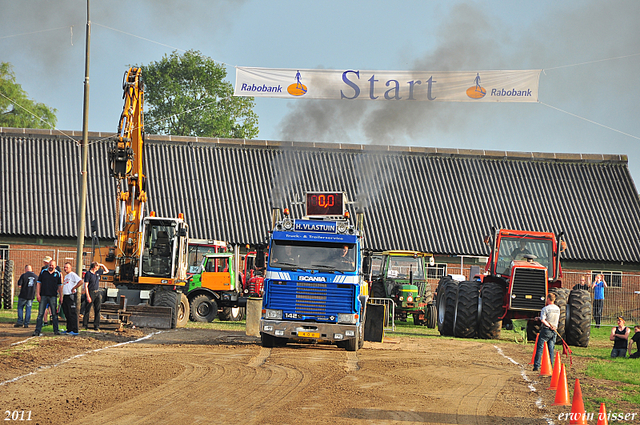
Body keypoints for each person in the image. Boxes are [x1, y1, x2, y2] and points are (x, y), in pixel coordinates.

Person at [33, 260, 63, 336]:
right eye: (50, 265)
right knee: (40, 314)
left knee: (54, 314)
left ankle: (56, 330)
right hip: (43, 295)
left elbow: (60, 286)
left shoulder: (57, 273)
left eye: (52, 265)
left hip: (53, 296)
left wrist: (61, 296)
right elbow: (39, 283)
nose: (51, 266)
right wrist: (38, 294)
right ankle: (37, 330)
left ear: (55, 266)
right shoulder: (43, 272)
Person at [533, 292, 561, 371]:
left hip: (546, 330)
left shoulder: (545, 309)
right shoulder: (557, 309)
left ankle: (536, 365)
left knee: (540, 347)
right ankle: (550, 366)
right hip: (554, 330)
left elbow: (543, 320)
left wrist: (548, 325)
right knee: (551, 349)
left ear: (548, 299)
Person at [83, 262, 108, 331]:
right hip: (91, 292)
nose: (98, 268)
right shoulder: (88, 274)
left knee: (97, 309)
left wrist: (102, 265)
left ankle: (96, 325)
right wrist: (88, 296)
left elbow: (107, 271)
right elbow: (86, 285)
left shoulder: (97, 272)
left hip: (97, 292)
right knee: (87, 309)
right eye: (97, 267)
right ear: (94, 267)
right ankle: (85, 325)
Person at [61, 262, 83, 335]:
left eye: (67, 267)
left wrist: (74, 288)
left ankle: (74, 330)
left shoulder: (73, 275)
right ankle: (69, 329)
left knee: (72, 313)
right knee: (67, 313)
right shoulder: (66, 276)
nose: (65, 269)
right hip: (66, 296)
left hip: (71, 296)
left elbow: (81, 281)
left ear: (70, 268)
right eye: (64, 267)